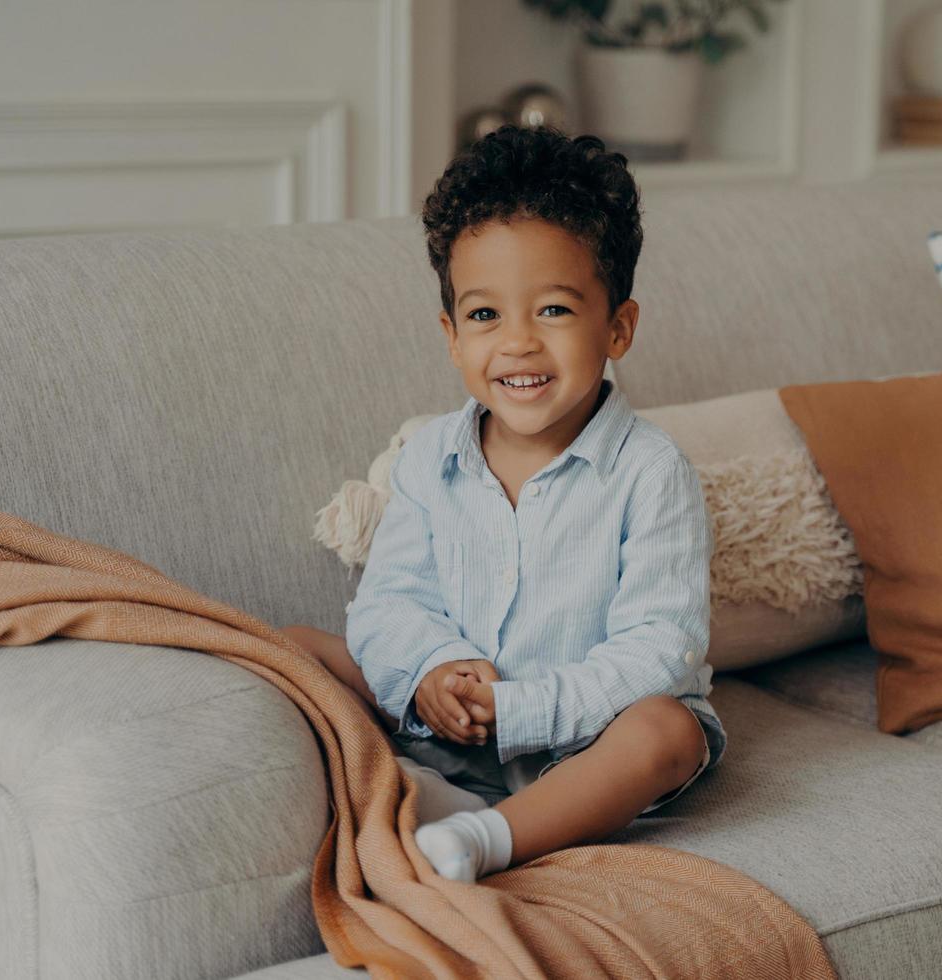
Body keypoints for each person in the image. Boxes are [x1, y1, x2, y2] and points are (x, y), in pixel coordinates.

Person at [282, 124, 725, 883]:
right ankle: (411, 787)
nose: (517, 344)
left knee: (667, 729)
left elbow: (659, 648)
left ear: (617, 327)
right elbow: (389, 603)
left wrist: (521, 708)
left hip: (584, 743)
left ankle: (487, 839)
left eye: (553, 310)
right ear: (452, 337)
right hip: (446, 721)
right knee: (294, 647)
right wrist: (432, 671)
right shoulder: (430, 459)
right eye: (486, 316)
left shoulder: (652, 472)